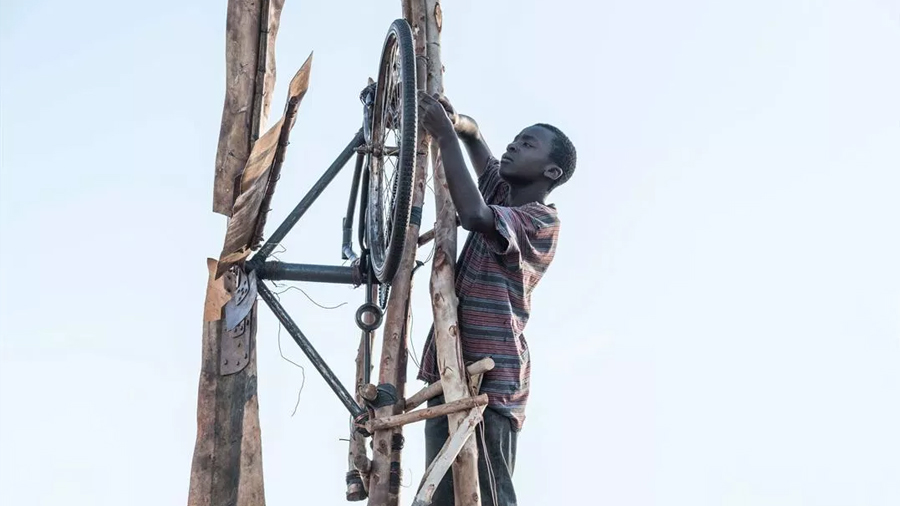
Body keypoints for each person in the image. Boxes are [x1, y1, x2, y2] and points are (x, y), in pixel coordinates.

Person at [416, 91, 577, 506]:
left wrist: (445, 137)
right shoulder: (502, 192)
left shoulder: (541, 220)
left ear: (551, 171)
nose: (513, 146)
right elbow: (476, 142)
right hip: (450, 365)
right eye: (516, 139)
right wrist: (459, 125)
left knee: (488, 493)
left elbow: (473, 215)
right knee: (443, 493)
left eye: (528, 145)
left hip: (493, 375)